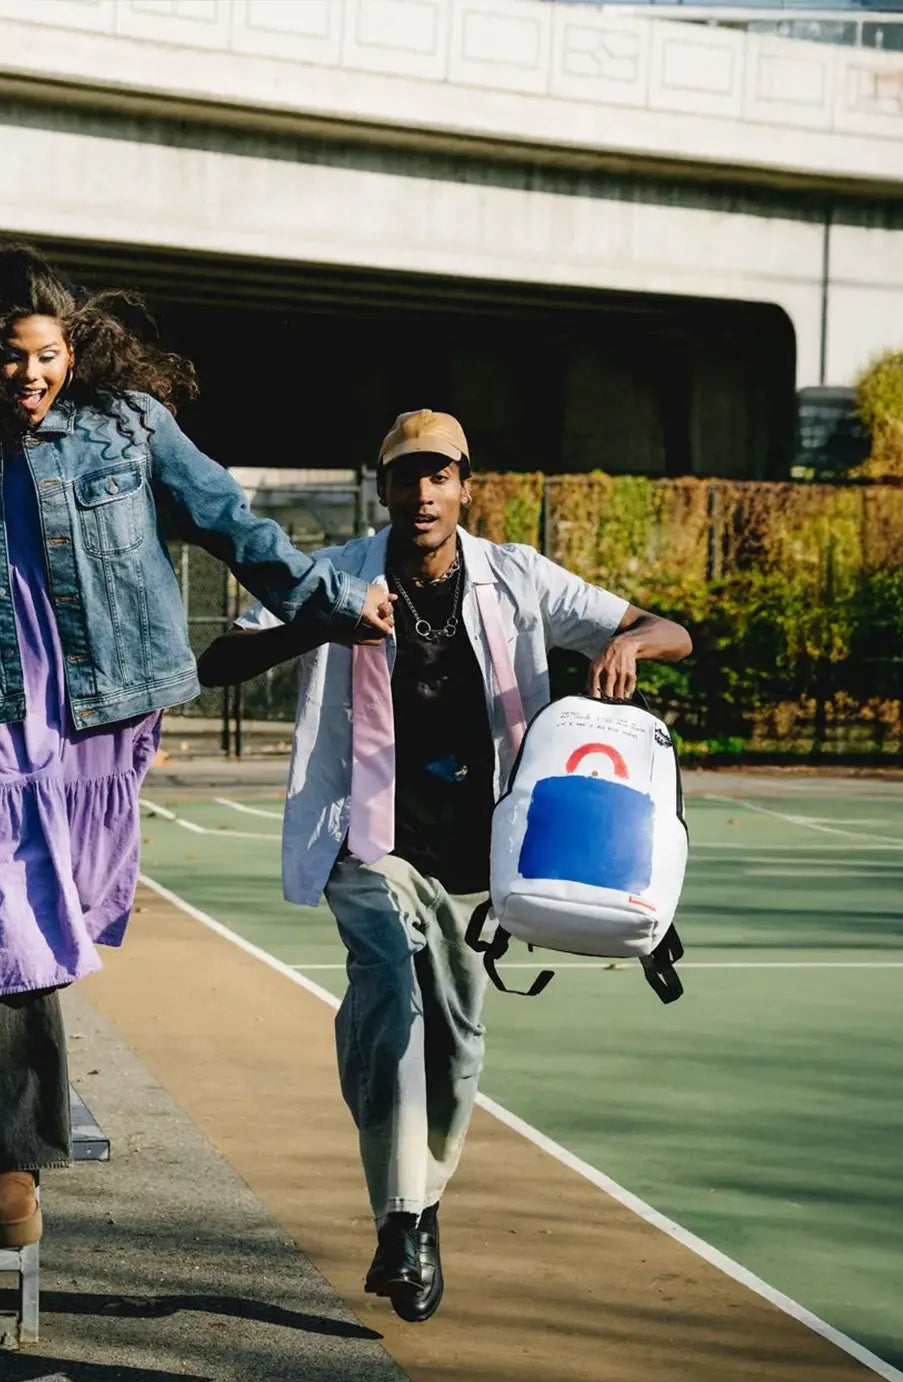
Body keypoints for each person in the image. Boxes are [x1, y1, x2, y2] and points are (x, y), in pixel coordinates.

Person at [0, 246, 392, 1250]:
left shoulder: (133, 425)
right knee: (4, 927)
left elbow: (232, 525)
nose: (28, 376)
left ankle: (16, 1133)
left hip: (103, 712)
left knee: (49, 919)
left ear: (71, 347)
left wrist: (332, 600)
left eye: (44, 355)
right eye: (8, 360)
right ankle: (10, 1158)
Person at [198, 410, 691, 1323]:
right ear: (383, 489)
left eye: (439, 475)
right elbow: (219, 659)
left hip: (481, 859)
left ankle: (422, 1209)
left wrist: (625, 642)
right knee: (393, 990)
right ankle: (399, 1219)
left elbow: (672, 630)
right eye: (404, 476)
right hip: (370, 841)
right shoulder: (334, 576)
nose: (422, 492)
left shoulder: (516, 576)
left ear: (467, 486)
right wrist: (322, 624)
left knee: (457, 1047)